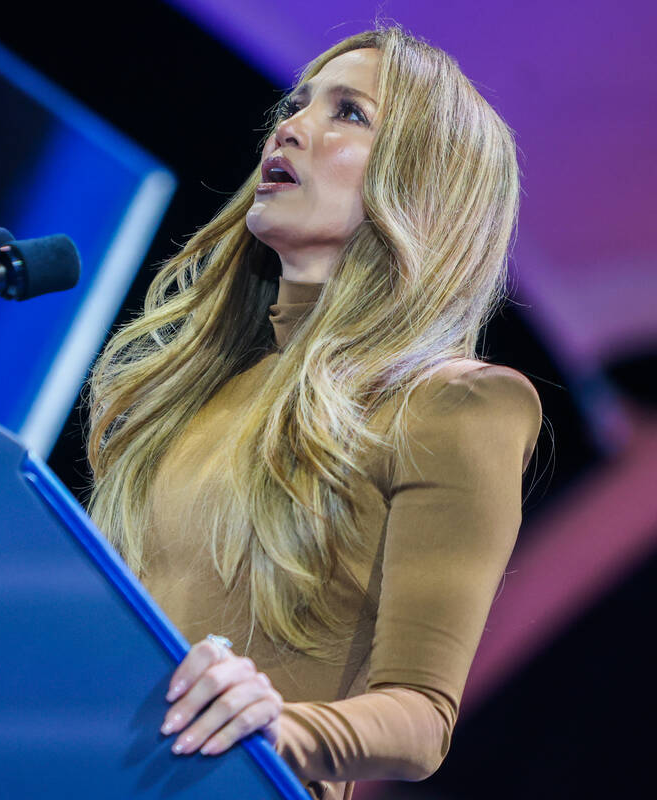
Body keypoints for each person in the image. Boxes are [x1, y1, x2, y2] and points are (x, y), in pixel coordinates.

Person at [85, 27, 541, 800]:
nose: (291, 126)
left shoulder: (456, 405)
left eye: (349, 114)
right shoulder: (188, 390)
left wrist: (274, 729)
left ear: (421, 183)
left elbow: (423, 718)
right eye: (296, 105)